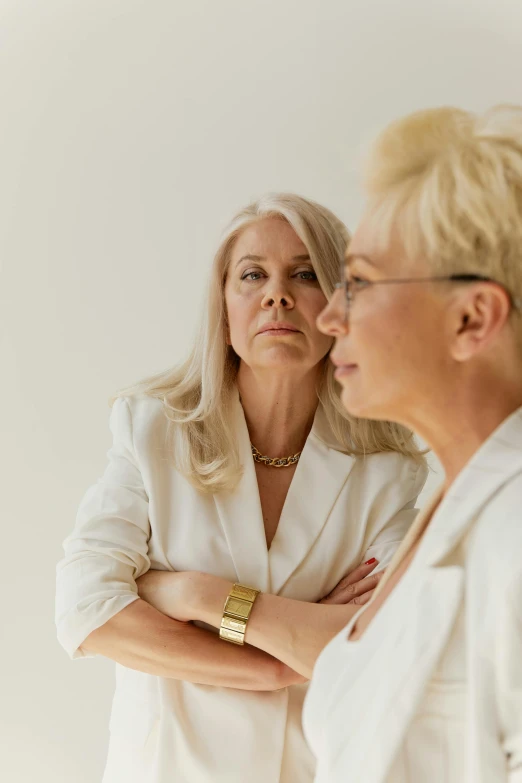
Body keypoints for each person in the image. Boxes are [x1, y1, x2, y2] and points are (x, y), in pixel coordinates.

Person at [55, 193, 427, 783]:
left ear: (340, 307)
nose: (277, 294)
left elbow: (378, 648)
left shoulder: (387, 470)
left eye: (305, 274)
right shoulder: (151, 431)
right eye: (253, 274)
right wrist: (277, 667)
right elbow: (87, 611)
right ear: (223, 308)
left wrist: (199, 597)